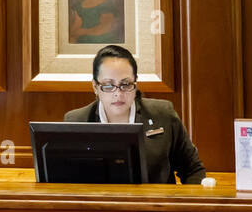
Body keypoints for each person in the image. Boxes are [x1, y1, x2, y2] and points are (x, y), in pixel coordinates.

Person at [64, 44, 206, 185]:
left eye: (125, 84)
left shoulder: (163, 114)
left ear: (136, 84)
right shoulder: (76, 121)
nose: (118, 94)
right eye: (108, 85)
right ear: (95, 87)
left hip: (156, 205)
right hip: (99, 206)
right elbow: (64, 179)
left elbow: (192, 170)